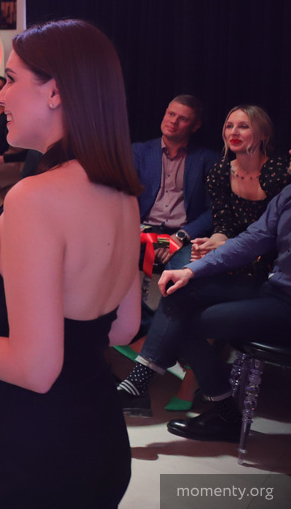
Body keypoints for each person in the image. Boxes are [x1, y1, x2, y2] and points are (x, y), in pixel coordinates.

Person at [0, 19, 142, 508]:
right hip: (100, 435)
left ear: (55, 92)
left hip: (28, 447)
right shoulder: (123, 192)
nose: (0, 96)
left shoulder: (35, 197)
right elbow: (121, 325)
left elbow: (37, 368)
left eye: (11, 79)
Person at [123, 184, 291, 442]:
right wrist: (191, 271)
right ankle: (139, 382)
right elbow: (252, 240)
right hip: (273, 287)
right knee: (182, 288)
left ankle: (226, 416)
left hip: (285, 304)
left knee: (185, 323)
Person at [198, 105, 289, 275]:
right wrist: (212, 244)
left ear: (263, 134)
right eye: (229, 126)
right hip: (233, 250)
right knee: (190, 270)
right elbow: (223, 225)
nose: (234, 132)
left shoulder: (277, 172)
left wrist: (227, 248)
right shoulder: (220, 171)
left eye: (244, 126)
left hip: (271, 255)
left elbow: (276, 233)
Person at [131, 95, 216, 270]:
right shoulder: (139, 152)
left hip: (181, 236)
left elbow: (214, 211)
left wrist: (181, 236)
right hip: (142, 232)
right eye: (171, 114)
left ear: (195, 126)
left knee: (185, 272)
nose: (173, 121)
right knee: (102, 255)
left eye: (183, 119)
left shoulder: (208, 160)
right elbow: (122, 196)